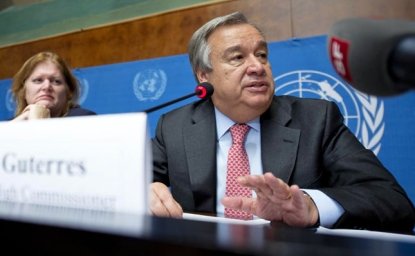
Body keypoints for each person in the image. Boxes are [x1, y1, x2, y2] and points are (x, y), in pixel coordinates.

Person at [150, 12, 415, 232]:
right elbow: (126, 181)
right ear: (203, 75)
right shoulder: (174, 126)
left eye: (262, 55)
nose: (257, 67)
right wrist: (144, 189)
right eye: (238, 57)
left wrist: (312, 207)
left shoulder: (316, 120)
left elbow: (393, 202)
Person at [11, 51, 96, 121]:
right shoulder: (10, 124)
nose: (46, 86)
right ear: (23, 89)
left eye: (56, 81)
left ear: (69, 91)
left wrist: (38, 123)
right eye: (38, 80)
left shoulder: (84, 119)